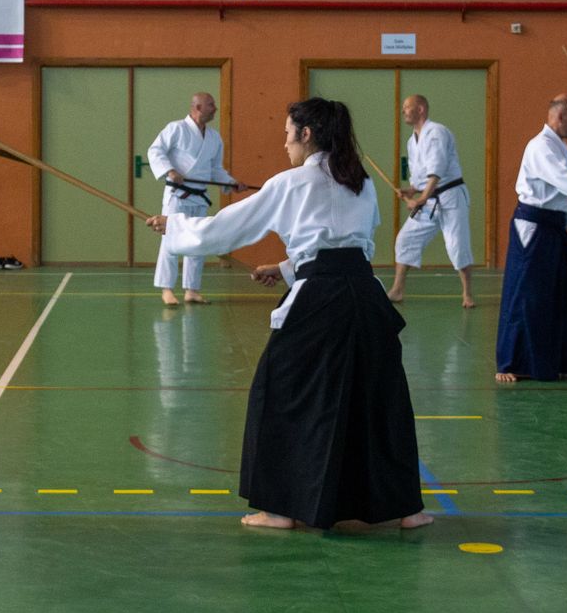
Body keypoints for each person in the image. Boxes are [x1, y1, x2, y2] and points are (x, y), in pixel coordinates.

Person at [148, 97, 432, 533]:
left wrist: (176, 226)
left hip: (319, 303)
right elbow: (349, 245)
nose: (283, 143)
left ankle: (280, 509)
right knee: (379, 398)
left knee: (279, 393)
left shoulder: (290, 183)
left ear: (306, 133)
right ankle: (406, 508)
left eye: (287, 134)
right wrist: (285, 268)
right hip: (365, 298)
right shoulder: (360, 182)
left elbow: (225, 229)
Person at [495, 94, 567, 384]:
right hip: (533, 229)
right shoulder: (540, 147)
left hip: (554, 228)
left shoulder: (560, 148)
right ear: (559, 117)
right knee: (528, 297)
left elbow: (565, 197)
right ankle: (512, 363)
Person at [147, 92, 249, 306]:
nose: (215, 108)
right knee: (171, 240)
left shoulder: (214, 137)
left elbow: (215, 169)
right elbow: (155, 151)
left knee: (198, 241)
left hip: (199, 197)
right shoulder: (175, 128)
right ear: (198, 107)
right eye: (211, 105)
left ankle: (192, 290)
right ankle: (167, 289)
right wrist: (170, 170)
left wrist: (231, 183)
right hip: (178, 195)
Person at [385, 95, 476, 308]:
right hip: (430, 199)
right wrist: (413, 189)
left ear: (421, 109)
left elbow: (437, 170)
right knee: (406, 239)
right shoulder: (411, 141)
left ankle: (467, 294)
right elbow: (422, 176)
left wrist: (421, 199)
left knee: (457, 244)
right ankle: (397, 290)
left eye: (408, 107)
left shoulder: (436, 133)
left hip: (451, 197)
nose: (403, 111)